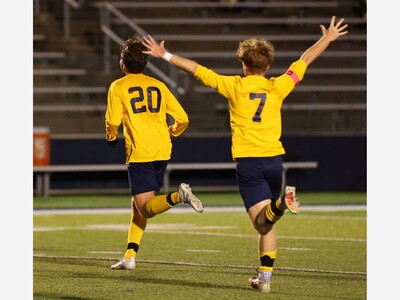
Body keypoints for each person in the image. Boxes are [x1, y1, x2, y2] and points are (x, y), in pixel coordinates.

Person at [142, 16, 348, 292]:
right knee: (268, 224)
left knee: (262, 224)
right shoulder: (278, 86)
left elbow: (196, 69)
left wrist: (163, 54)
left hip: (249, 164)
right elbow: (304, 60)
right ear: (268, 65)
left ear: (243, 65)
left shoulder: (234, 86)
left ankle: (281, 205)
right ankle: (264, 279)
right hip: (275, 161)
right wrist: (327, 38)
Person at [105, 36, 204, 270]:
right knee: (137, 205)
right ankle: (130, 255)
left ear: (123, 65)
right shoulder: (159, 85)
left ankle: (178, 196)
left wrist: (110, 138)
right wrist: (173, 131)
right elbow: (183, 119)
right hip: (162, 148)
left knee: (146, 209)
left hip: (141, 151)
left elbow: (112, 120)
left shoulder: (118, 86)